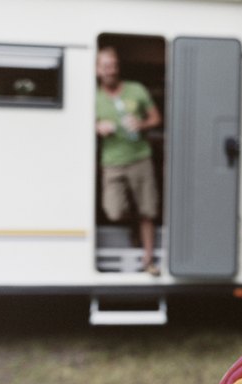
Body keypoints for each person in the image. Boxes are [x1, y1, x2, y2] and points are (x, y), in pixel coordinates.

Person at [96, 46, 162, 276]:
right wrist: (97, 127)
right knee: (113, 211)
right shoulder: (94, 97)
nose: (110, 71)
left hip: (140, 158)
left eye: (113, 65)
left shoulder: (136, 90)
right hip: (112, 162)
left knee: (148, 211)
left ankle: (148, 260)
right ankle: (132, 223)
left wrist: (142, 124)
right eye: (105, 66)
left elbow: (156, 118)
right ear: (97, 70)